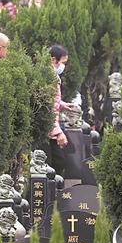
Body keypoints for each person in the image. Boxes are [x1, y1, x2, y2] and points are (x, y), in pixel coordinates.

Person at [48, 45, 72, 173]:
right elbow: (48, 107)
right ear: (53, 59)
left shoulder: (53, 76)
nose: (63, 66)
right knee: (56, 163)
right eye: (62, 62)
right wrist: (58, 133)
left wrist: (61, 104)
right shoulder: (48, 77)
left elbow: (53, 100)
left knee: (58, 162)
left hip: (51, 128)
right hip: (48, 129)